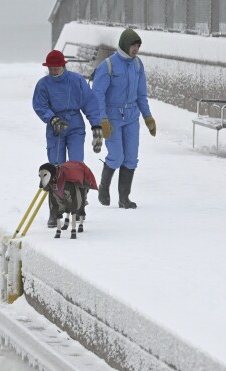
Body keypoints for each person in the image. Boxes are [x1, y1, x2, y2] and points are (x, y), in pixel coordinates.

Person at [33, 50, 102, 228]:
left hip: (75, 125)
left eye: (56, 67)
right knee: (55, 168)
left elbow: (90, 102)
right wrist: (52, 118)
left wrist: (96, 126)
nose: (54, 71)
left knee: (76, 166)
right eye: (51, 68)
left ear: (63, 65)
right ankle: (54, 210)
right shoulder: (43, 85)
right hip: (55, 127)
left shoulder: (77, 81)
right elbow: (39, 105)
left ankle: (78, 207)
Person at [92, 28, 156, 209]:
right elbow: (98, 95)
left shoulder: (137, 65)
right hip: (112, 118)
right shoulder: (108, 65)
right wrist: (102, 119)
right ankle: (103, 188)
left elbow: (141, 94)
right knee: (116, 156)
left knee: (131, 158)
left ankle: (124, 198)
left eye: (137, 46)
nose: (135, 49)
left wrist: (148, 117)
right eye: (132, 45)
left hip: (131, 117)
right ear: (124, 45)